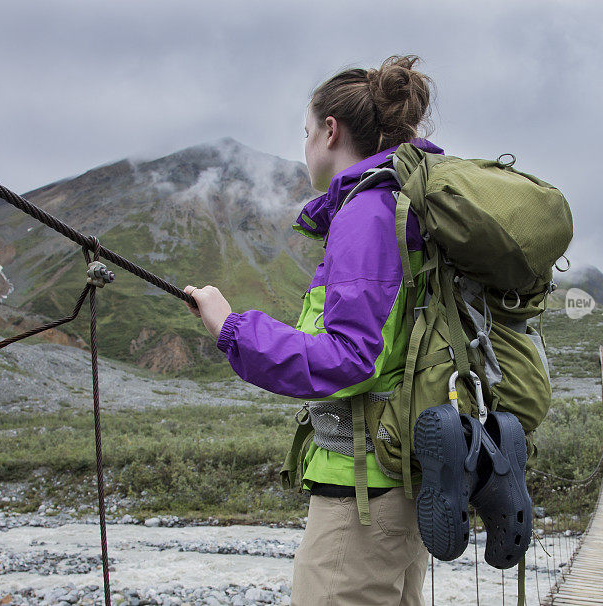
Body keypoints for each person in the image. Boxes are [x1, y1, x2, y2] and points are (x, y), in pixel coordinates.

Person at [184, 54, 442, 606]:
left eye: (305, 133)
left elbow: (349, 357)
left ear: (331, 131)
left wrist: (231, 327)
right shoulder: (402, 205)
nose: (303, 149)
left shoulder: (367, 213)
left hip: (363, 497)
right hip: (398, 484)